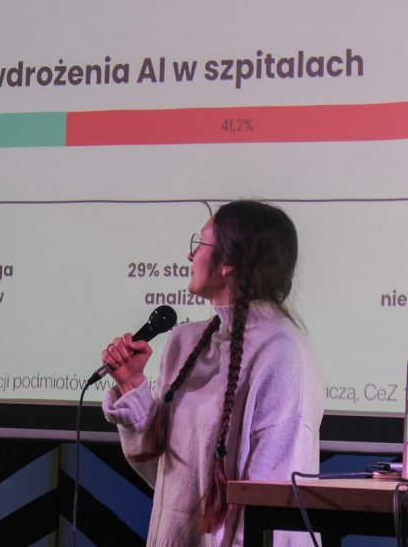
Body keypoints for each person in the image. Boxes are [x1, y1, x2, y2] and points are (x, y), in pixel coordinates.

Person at [99, 200, 325, 546]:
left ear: (229, 263)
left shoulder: (283, 355)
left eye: (201, 243)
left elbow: (270, 507)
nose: (190, 256)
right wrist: (131, 384)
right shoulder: (184, 342)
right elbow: (167, 475)